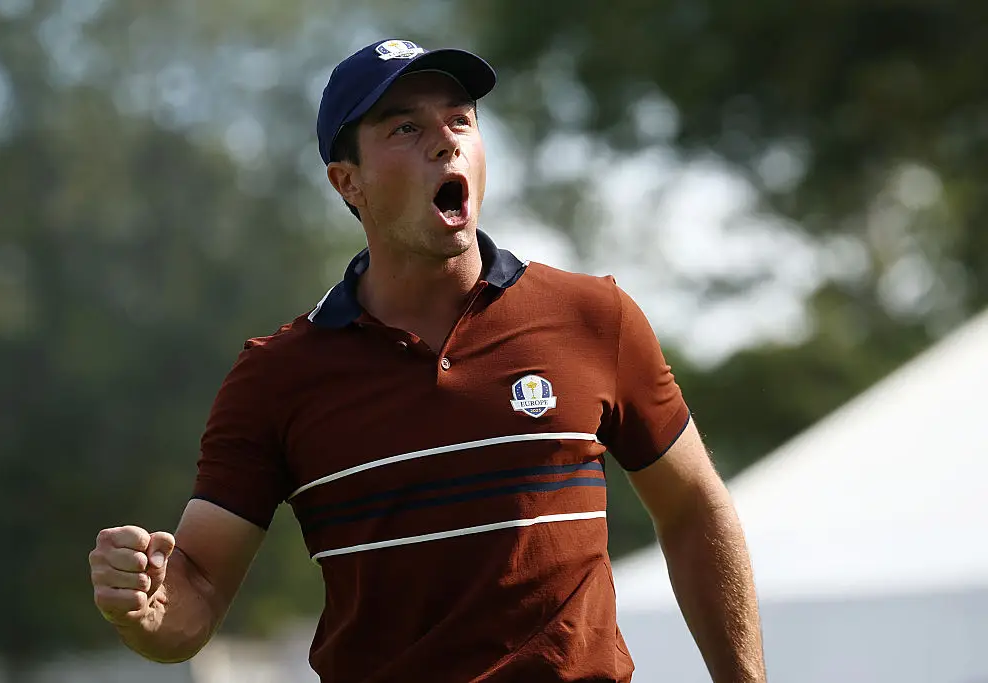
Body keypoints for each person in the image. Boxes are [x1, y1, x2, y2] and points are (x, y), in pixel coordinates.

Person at [88, 38, 766, 682]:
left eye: (459, 120)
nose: (445, 140)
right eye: (405, 128)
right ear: (347, 181)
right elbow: (197, 594)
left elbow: (693, 507)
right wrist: (144, 605)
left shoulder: (594, 317)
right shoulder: (276, 377)